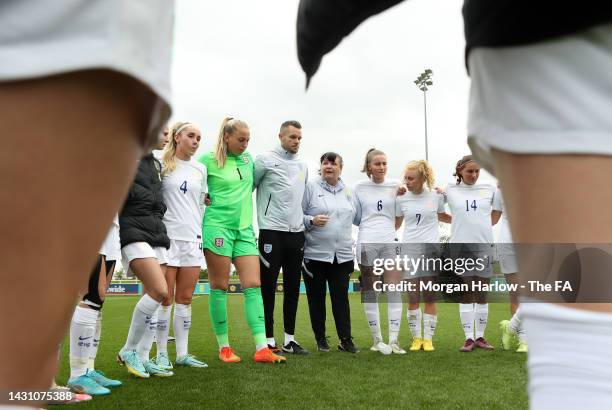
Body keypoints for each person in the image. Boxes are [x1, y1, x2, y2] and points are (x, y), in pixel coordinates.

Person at [0, 0, 173, 399]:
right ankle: (43, 384)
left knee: (90, 298)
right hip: (47, 97)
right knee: (50, 294)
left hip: (104, 212)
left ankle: (72, 375)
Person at [199, 117, 286, 364]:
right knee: (220, 285)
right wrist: (202, 197)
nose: (245, 144)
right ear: (226, 137)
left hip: (245, 230)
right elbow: (191, 183)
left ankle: (261, 348)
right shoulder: (207, 160)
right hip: (217, 227)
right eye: (240, 139)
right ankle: (224, 347)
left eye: (248, 140)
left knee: (253, 284)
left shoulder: (249, 160)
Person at [116, 138, 174, 378]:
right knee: (160, 291)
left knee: (156, 297)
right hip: (133, 230)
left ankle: (142, 356)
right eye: (162, 130)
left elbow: (158, 201)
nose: (166, 135)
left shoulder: (155, 164)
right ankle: (127, 351)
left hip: (156, 233)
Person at [154, 122, 209, 369]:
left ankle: (183, 354)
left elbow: (200, 204)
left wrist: (199, 231)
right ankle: (162, 353)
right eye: (191, 136)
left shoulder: (201, 169)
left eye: (199, 137)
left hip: (193, 238)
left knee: (185, 298)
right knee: (165, 298)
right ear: (177, 137)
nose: (196, 141)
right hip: (168, 238)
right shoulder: (161, 164)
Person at [254, 120, 309, 354]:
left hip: (296, 234)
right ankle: (268, 340)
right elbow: (247, 187)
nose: (296, 142)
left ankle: (289, 339)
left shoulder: (303, 165)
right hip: (271, 232)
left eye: (299, 138)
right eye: (292, 137)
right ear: (281, 136)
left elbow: (300, 200)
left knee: (293, 288)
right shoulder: (264, 159)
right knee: (267, 287)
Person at [302, 152, 359, 353]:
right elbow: (295, 216)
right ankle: (321, 339)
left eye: (333, 163)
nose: (329, 166)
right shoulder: (310, 187)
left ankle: (345, 340)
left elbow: (360, 219)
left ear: (340, 168)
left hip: (342, 256)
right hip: (314, 255)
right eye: (325, 163)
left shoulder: (350, 193)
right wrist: (311, 220)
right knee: (316, 299)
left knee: (341, 299)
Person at [443, 155, 501, 352]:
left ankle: (480, 337)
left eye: (477, 171)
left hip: (484, 246)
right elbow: (434, 210)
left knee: (482, 293)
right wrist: (458, 221)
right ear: (459, 170)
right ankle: (468, 338)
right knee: (467, 292)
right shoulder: (449, 189)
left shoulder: (489, 189)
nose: (474, 175)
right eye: (470, 171)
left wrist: (482, 226)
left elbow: (496, 214)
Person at [395, 160, 451, 352]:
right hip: (409, 251)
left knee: (430, 297)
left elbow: (443, 216)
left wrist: (465, 221)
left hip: (431, 251)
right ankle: (416, 338)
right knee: (412, 297)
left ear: (422, 178)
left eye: (411, 178)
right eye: (406, 178)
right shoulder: (400, 197)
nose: (407, 181)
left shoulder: (435, 196)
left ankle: (428, 339)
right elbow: (395, 222)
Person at [354, 148, 405, 355]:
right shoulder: (359, 187)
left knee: (394, 289)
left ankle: (393, 340)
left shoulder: (395, 186)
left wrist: (387, 231)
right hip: (367, 242)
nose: (382, 167)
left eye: (384, 163)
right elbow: (356, 217)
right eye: (377, 164)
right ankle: (377, 340)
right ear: (368, 167)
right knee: (371, 291)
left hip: (390, 243)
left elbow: (399, 217)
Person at [66, 216, 123, 395]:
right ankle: (77, 375)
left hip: (112, 224)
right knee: (90, 296)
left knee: (99, 297)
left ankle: (88, 370)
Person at [493, 188, 528, 353]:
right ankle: (523, 341)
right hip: (507, 245)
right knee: (516, 295)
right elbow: (492, 219)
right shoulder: (500, 190)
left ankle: (510, 327)